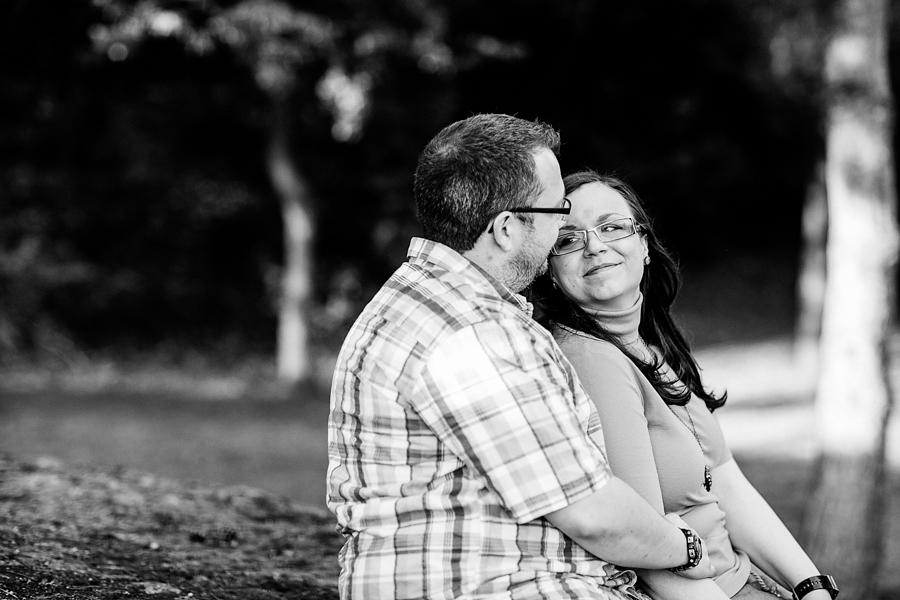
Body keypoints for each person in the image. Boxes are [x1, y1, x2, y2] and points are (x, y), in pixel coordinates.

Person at [326, 115, 715, 600]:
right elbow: (593, 515)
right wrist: (687, 548)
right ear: (507, 228)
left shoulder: (423, 298)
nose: (563, 224)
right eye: (557, 209)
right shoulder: (475, 335)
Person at [530, 170, 839, 600]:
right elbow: (642, 546)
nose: (594, 245)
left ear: (644, 244)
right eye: (567, 239)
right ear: (549, 269)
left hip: (745, 579)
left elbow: (726, 483)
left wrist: (811, 586)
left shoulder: (646, 346)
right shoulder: (592, 360)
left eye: (611, 227)